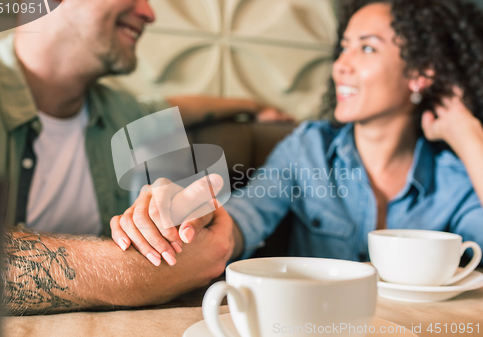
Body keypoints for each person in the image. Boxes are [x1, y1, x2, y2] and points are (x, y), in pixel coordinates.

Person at [111, 0, 483, 266]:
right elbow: (244, 218)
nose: (341, 66)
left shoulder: (455, 175)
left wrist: (467, 132)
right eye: (344, 48)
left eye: (367, 48)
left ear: (421, 75)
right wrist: (188, 211)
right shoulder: (309, 148)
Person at [0, 0, 284, 314]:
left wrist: (251, 107)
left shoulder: (120, 113)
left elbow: (172, 108)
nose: (149, 13)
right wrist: (133, 275)